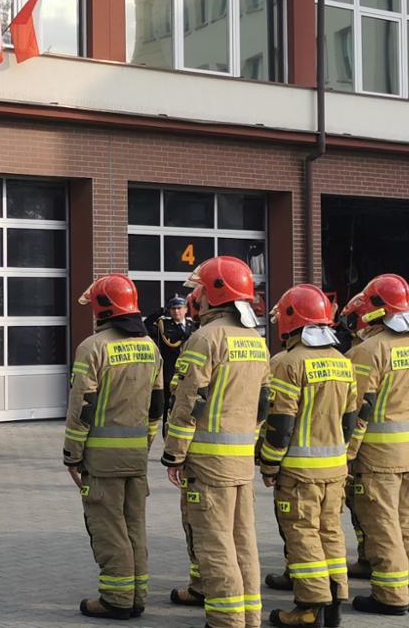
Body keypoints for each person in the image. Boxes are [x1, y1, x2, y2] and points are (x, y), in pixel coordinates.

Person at [161, 256, 269, 628]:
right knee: (243, 541)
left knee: (215, 543)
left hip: (207, 463)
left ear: (213, 294)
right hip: (240, 461)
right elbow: (264, 403)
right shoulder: (256, 340)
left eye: (200, 291)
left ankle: (225, 621)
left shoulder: (205, 338)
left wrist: (174, 455)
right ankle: (250, 617)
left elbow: (188, 402)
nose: (196, 298)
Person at [258, 284, 360, 627]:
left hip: (299, 472)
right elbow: (351, 420)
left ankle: (307, 608)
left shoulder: (289, 363)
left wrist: (270, 463)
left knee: (302, 535)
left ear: (291, 319)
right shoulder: (343, 362)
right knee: (330, 531)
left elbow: (281, 423)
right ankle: (334, 602)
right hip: (334, 468)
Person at [65, 274, 162, 620]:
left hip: (102, 461)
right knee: (134, 525)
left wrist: (72, 456)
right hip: (137, 458)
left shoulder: (92, 347)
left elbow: (82, 408)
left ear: (103, 307)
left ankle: (117, 599)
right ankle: (138, 594)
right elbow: (156, 407)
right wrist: (144, 445)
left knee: (108, 527)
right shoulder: (150, 347)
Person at [341, 274, 409, 615]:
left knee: (382, 524)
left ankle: (391, 595)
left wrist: (347, 456)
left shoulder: (366, 352)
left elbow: (357, 412)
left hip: (376, 456)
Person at [149, 296, 196, 395]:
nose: (176, 311)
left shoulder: (193, 326)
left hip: (187, 370)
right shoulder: (163, 325)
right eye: (173, 309)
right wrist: (159, 312)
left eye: (179, 308)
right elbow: (147, 326)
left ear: (186, 310)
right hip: (169, 370)